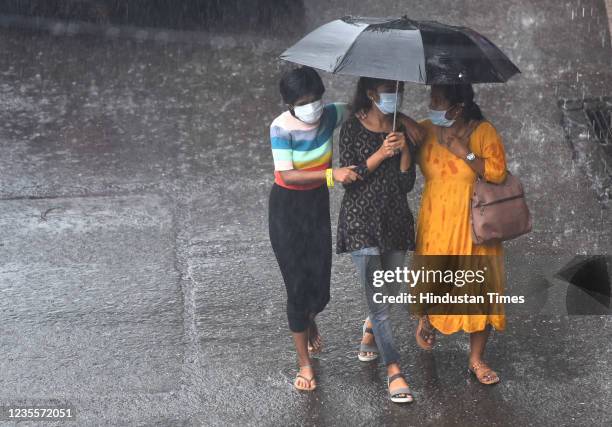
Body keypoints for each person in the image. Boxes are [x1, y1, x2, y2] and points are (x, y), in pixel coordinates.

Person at [268, 66, 360, 392]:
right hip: (287, 210)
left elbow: (361, 108)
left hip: (316, 208)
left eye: (317, 99)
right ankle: (304, 363)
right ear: (290, 102)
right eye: (305, 101)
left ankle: (310, 315)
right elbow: (287, 175)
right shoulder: (281, 127)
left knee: (319, 280)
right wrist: (332, 175)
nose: (314, 106)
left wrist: (396, 114)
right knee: (296, 284)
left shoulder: (329, 115)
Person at [336, 77, 424, 403]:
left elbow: (406, 184)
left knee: (391, 292)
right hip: (361, 223)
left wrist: (402, 152)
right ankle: (395, 371)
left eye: (399, 90)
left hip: (395, 222)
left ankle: (370, 330)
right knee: (382, 304)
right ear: (371, 93)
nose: (395, 96)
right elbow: (350, 178)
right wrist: (381, 152)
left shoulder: (401, 127)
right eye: (389, 90)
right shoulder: (352, 127)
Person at [412, 83, 507, 385]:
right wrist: (400, 122)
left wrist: (464, 154)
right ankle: (427, 320)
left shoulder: (483, 132)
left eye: (438, 100)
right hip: (436, 225)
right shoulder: (425, 129)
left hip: (475, 226)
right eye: (432, 99)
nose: (432, 105)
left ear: (458, 107)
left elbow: (497, 173)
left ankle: (477, 359)